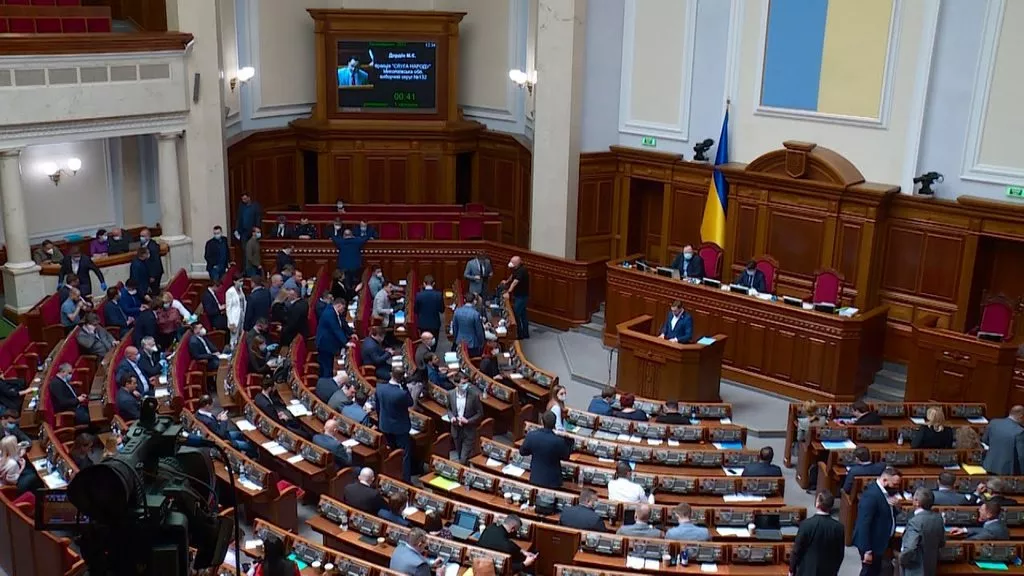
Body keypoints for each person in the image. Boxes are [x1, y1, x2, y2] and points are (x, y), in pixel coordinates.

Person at [852, 467, 902, 576]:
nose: (896, 488)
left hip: (881, 542)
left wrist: (897, 507)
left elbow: (887, 513)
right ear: (885, 480)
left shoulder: (886, 493)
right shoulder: (871, 496)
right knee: (868, 572)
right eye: (895, 484)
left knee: (876, 571)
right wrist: (867, 550)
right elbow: (863, 524)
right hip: (871, 544)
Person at [375, 367, 419, 482]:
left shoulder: (380, 388)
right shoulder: (401, 393)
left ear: (391, 374)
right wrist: (405, 386)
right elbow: (410, 402)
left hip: (385, 426)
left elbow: (378, 407)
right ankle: (405, 481)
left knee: (390, 454)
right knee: (404, 456)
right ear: (402, 377)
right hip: (400, 429)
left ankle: (390, 477)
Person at [788, 492, 844, 576]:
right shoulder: (839, 528)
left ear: (817, 504)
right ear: (831, 506)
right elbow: (840, 554)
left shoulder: (806, 524)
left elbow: (796, 550)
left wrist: (791, 569)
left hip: (807, 571)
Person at [519, 411, 573, 489]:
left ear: (542, 421)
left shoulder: (531, 435)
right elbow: (566, 457)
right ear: (555, 424)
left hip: (535, 478)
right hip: (553, 482)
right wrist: (569, 441)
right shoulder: (559, 441)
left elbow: (522, 452)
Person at [898, 488, 945, 576]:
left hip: (914, 568)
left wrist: (901, 558)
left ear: (917, 502)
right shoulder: (938, 519)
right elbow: (942, 542)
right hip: (931, 566)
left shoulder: (915, 521)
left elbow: (910, 548)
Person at [447, 375, 483, 463]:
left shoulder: (474, 396)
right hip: (456, 430)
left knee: (463, 458)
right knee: (460, 456)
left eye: (466, 383)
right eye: (463, 383)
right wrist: (452, 417)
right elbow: (448, 409)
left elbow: (480, 413)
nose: (466, 385)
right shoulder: (450, 394)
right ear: (456, 384)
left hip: (469, 430)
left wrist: (468, 421)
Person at [317, 299, 355, 377]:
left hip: (328, 343)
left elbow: (342, 323)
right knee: (326, 367)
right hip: (325, 344)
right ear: (339, 305)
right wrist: (346, 342)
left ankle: (326, 380)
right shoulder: (329, 313)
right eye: (343, 308)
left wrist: (351, 333)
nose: (343, 310)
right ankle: (326, 382)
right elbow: (336, 329)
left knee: (328, 366)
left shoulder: (333, 311)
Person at [982, 405, 1024, 475]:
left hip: (989, 466)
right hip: (1007, 471)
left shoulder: (993, 423)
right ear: (1021, 416)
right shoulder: (1020, 431)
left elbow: (985, 440)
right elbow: (1021, 456)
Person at [501, 256, 530, 339]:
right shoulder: (516, 269)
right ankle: (525, 333)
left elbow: (515, 282)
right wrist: (506, 281)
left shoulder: (522, 270)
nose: (511, 263)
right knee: (523, 315)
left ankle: (520, 334)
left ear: (517, 263)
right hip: (518, 296)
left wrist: (508, 292)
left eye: (513, 262)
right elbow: (512, 276)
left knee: (515, 315)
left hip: (522, 296)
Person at [234, 193, 261, 272]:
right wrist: (237, 229)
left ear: (249, 198)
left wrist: (257, 227)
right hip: (243, 232)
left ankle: (253, 268)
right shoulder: (241, 206)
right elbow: (239, 218)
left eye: (245, 199)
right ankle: (246, 269)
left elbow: (258, 217)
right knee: (245, 250)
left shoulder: (255, 206)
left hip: (252, 231)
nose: (244, 200)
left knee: (253, 250)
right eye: (243, 199)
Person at [138, 228, 163, 295]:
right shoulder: (143, 244)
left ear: (148, 236)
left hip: (155, 273)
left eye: (143, 236)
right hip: (149, 272)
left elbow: (156, 262)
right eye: (140, 236)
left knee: (154, 290)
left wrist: (153, 276)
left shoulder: (153, 247)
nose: (141, 238)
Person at [225, 275, 247, 349]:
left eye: (242, 281)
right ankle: (232, 350)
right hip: (234, 317)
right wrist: (231, 322)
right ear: (234, 281)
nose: (241, 283)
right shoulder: (230, 292)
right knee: (234, 337)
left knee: (241, 335)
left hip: (242, 314)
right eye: (240, 281)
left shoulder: (240, 289)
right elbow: (228, 308)